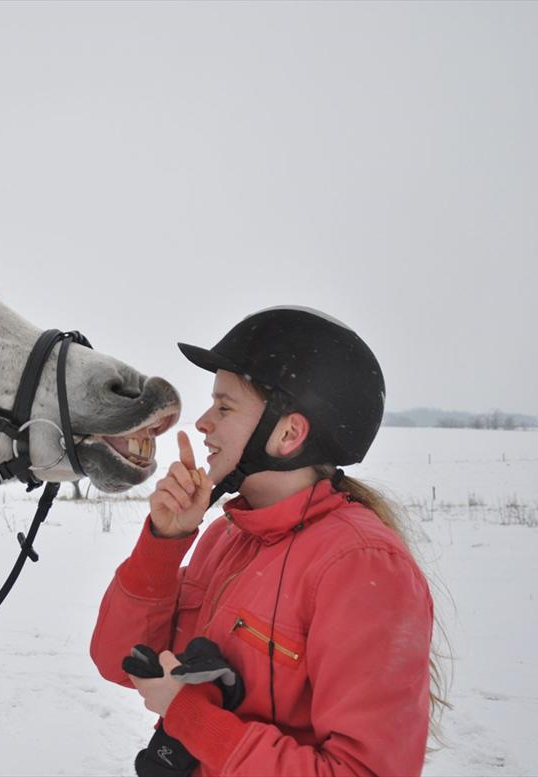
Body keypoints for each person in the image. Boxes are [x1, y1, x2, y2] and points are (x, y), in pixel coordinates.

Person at [90, 307, 444, 776]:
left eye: (225, 406)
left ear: (288, 433)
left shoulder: (362, 565)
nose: (202, 422)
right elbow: (119, 660)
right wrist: (165, 541)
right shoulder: (228, 535)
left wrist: (190, 716)